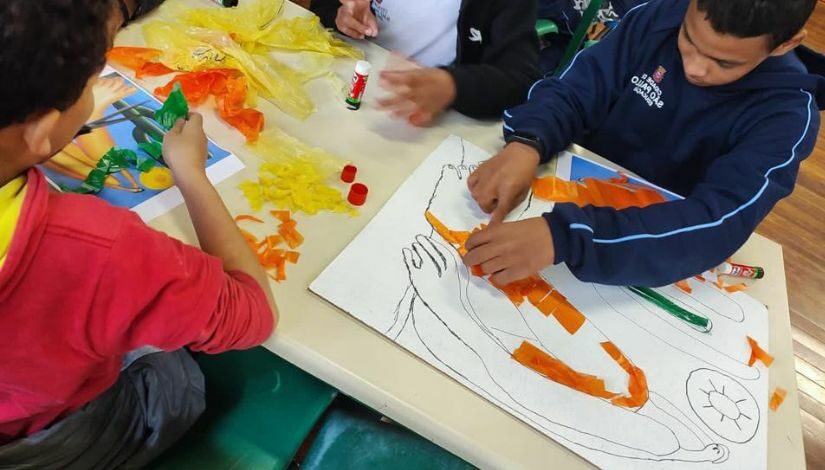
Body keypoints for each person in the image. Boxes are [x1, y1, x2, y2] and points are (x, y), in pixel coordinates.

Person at [0, 1, 277, 467]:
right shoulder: (97, 249)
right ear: (43, 130)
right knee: (175, 376)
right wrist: (191, 174)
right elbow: (252, 313)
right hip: (41, 438)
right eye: (91, 87)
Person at [463, 0, 825, 287]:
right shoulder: (658, 15)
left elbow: (716, 222)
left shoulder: (787, 116)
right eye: (688, 39)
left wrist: (566, 237)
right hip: (573, 187)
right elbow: (577, 90)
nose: (695, 67)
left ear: (786, 44)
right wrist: (529, 141)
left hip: (647, 242)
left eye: (724, 62)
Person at [310, 0, 541, 125]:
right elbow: (324, 6)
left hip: (420, 115)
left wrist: (454, 86)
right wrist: (340, 14)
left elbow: (519, 79)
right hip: (342, 78)